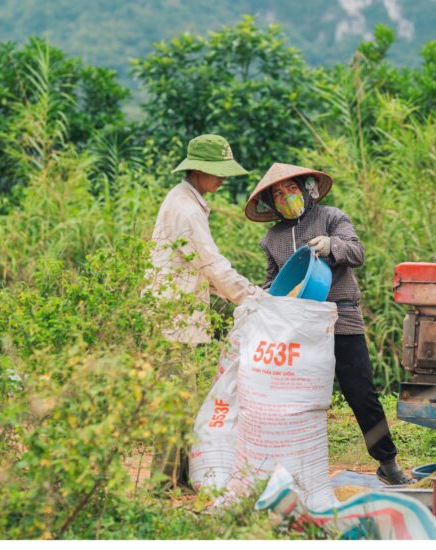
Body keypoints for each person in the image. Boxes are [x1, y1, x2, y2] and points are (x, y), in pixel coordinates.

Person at [244, 162, 412, 485]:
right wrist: (259, 297)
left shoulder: (331, 218)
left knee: (360, 392)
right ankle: (290, 467)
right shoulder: (272, 239)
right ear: (271, 203)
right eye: (278, 194)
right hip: (297, 330)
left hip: (340, 317)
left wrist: (330, 245)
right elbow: (272, 280)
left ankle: (387, 461)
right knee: (294, 399)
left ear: (307, 188)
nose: (285, 197)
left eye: (290, 189)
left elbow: (357, 252)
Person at [147, 133, 265, 487]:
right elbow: (211, 265)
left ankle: (176, 478)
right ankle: (161, 485)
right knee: (174, 404)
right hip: (172, 320)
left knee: (180, 400)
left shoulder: (185, 199)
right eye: (216, 171)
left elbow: (202, 267)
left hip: (175, 317)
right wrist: (252, 297)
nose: (222, 178)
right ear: (197, 169)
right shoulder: (186, 210)